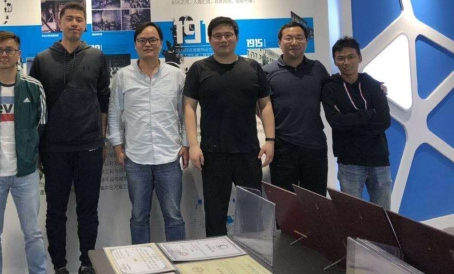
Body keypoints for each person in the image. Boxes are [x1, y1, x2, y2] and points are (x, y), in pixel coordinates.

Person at [29, 2, 110, 274]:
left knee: (88, 210)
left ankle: (87, 263)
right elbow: (36, 108)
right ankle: (59, 266)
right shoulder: (42, 59)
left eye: (79, 19)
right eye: (69, 19)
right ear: (60, 23)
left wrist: (101, 140)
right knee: (55, 212)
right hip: (54, 149)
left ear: (85, 25)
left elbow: (103, 102)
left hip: (89, 146)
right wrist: (38, 148)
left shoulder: (97, 57)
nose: (74, 23)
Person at [184, 16, 275, 237]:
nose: (223, 39)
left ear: (236, 37)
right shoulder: (199, 69)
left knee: (252, 215)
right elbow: (189, 108)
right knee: (215, 216)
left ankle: (251, 256)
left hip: (248, 153)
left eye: (228, 35)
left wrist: (270, 140)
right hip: (213, 154)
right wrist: (193, 145)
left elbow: (265, 105)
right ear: (210, 39)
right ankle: (218, 256)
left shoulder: (252, 67)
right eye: (217, 36)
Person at [0, 31, 48, 274]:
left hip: (26, 174)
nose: (4, 55)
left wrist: (29, 152)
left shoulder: (34, 87)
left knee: (33, 233)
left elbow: (42, 125)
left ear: (18, 54)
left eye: (9, 50)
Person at [108, 22, 188, 244]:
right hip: (136, 159)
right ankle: (142, 259)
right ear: (135, 44)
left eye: (153, 40)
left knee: (174, 216)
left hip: (169, 157)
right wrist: (117, 146)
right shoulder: (123, 76)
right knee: (138, 217)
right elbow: (114, 113)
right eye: (142, 40)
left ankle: (179, 258)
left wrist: (186, 143)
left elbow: (186, 113)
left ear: (161, 43)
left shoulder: (176, 75)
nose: (148, 44)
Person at [322, 36, 392, 209]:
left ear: (359, 58)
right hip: (349, 161)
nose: (346, 62)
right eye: (341, 58)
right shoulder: (330, 88)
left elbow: (384, 121)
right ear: (335, 61)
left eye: (351, 57)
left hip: (379, 159)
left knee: (383, 213)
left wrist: (350, 121)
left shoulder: (374, 85)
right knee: (351, 214)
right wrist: (369, 114)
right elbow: (336, 122)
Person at [263, 21, 330, 196]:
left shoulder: (318, 68)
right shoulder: (267, 72)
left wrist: (374, 88)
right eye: (289, 38)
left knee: (316, 202)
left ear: (307, 41)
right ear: (280, 42)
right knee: (285, 202)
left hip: (315, 146)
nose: (294, 42)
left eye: (299, 38)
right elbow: (260, 106)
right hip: (282, 148)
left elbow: (338, 93)